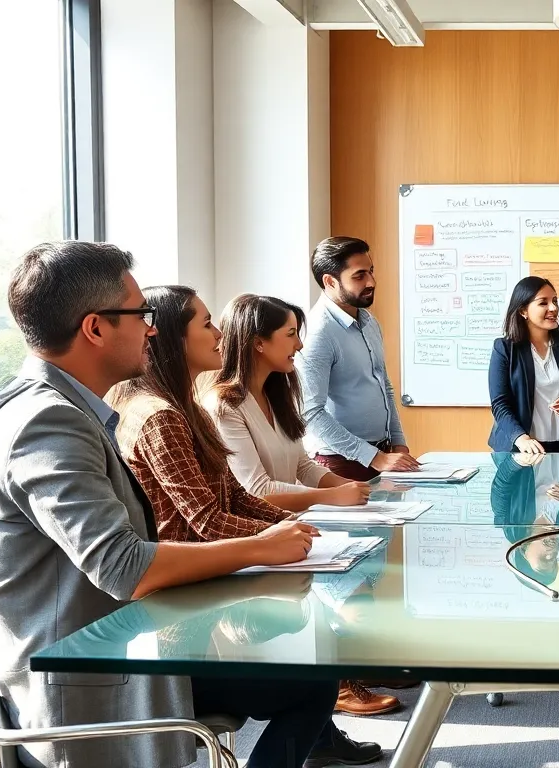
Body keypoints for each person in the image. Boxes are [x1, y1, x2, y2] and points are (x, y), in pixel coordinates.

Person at [0, 241, 335, 768]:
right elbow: (125, 567)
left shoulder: (61, 409)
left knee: (307, 679)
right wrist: (261, 547)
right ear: (95, 328)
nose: (151, 330)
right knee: (308, 683)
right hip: (89, 690)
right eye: (141, 315)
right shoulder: (48, 423)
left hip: (122, 654)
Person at [110, 285, 394, 759]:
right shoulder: (161, 417)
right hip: (179, 624)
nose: (219, 333)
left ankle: (322, 740)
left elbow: (237, 497)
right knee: (314, 684)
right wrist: (276, 537)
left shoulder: (185, 408)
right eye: (206, 324)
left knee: (311, 649)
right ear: (172, 338)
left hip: (205, 594)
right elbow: (206, 519)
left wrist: (299, 531)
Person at [203, 293, 373, 512]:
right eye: (291, 334)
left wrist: (355, 488)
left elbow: (303, 466)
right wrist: (333, 496)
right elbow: (258, 490)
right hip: (260, 529)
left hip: (289, 523)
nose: (299, 345)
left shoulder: (275, 395)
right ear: (258, 343)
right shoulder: (224, 406)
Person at [298, 236, 420, 480]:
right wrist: (373, 457)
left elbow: (384, 386)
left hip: (381, 454)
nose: (371, 281)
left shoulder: (369, 322)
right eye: (359, 275)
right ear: (330, 281)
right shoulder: (319, 333)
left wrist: (398, 443)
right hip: (340, 462)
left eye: (371, 271)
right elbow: (310, 412)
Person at [488, 276, 559, 454]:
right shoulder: (505, 348)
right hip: (520, 448)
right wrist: (521, 439)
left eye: (555, 301)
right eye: (543, 303)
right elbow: (500, 405)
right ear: (523, 311)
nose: (553, 308)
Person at [492, 450, 559, 584]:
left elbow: (501, 482)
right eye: (554, 560)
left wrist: (519, 459)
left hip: (527, 444)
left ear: (524, 552)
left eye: (544, 559)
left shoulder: (507, 520)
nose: (552, 554)